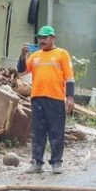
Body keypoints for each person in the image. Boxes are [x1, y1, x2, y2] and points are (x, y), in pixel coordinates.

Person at [24, 25, 75, 174]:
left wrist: (70, 97)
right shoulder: (35, 56)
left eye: (45, 37)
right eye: (40, 37)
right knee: (37, 132)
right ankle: (37, 162)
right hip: (37, 98)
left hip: (56, 98)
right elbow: (22, 71)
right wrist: (23, 56)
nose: (42, 40)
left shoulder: (62, 54)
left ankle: (56, 163)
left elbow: (69, 77)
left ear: (53, 38)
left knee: (56, 132)